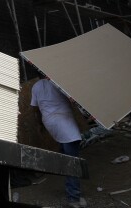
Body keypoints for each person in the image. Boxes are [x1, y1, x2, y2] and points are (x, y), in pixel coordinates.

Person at [31, 76, 86, 208]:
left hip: (50, 121)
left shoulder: (36, 86)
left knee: (65, 154)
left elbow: (35, 108)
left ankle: (69, 186)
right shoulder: (60, 82)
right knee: (72, 162)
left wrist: (40, 124)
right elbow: (75, 100)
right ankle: (74, 198)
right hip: (64, 123)